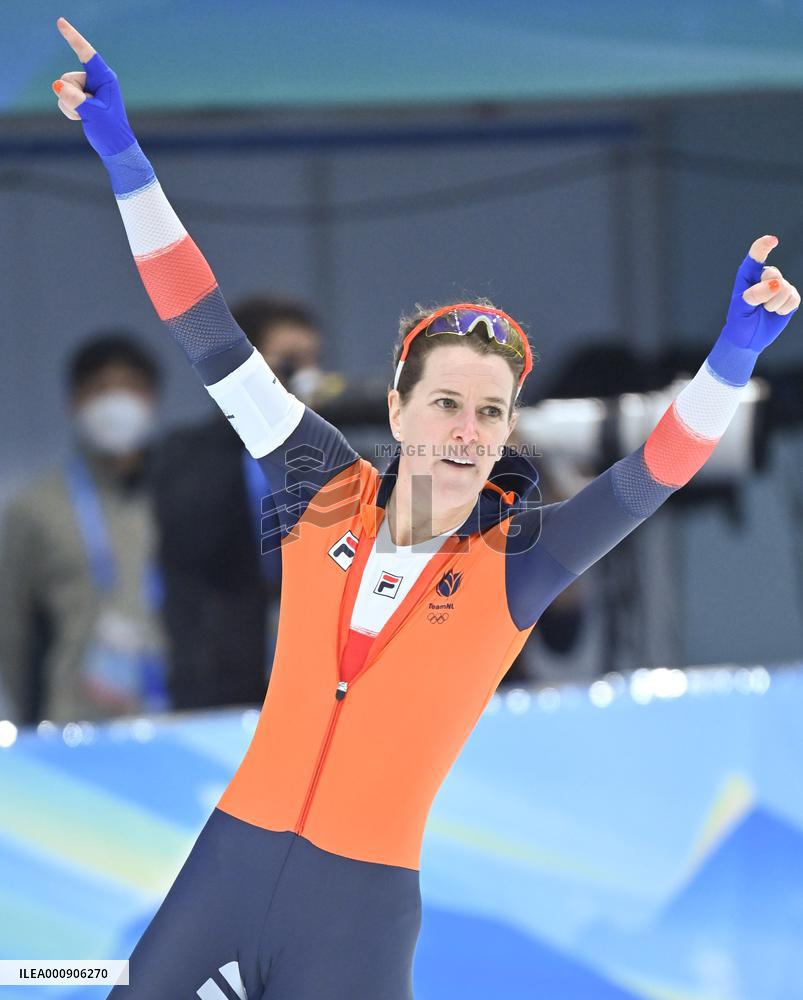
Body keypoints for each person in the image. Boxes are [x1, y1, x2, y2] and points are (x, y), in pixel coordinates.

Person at [50, 17, 800, 999]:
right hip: (223, 876)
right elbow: (205, 331)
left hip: (354, 921)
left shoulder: (521, 558)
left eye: (489, 411)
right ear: (397, 408)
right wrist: (124, 157)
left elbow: (651, 471)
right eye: (445, 400)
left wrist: (732, 355)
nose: (465, 426)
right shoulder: (319, 482)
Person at [150, 296, 330, 711]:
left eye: (313, 361)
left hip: (309, 680)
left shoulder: (325, 453)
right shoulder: (187, 453)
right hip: (215, 686)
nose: (306, 377)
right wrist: (254, 423)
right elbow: (191, 538)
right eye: (289, 363)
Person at [0, 331, 167, 724]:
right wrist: (29, 724)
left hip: (181, 713)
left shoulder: (184, 495)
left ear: (153, 400)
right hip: (76, 723)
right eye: (101, 389)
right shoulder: (35, 508)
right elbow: (12, 631)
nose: (117, 402)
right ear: (74, 402)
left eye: (131, 388)